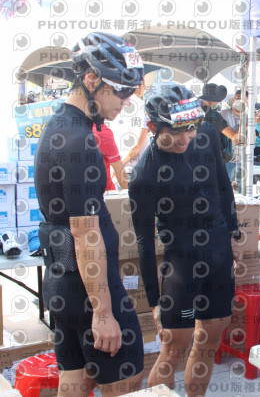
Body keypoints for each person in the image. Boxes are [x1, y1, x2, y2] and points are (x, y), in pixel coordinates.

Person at [34, 32, 145, 396]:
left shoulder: (61, 127)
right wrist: (103, 312)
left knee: (76, 379)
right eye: (121, 91)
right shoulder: (80, 141)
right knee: (126, 382)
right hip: (88, 289)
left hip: (64, 282)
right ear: (92, 79)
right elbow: (85, 234)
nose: (126, 101)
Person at [129, 82, 239, 397]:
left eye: (190, 129)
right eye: (174, 133)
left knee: (208, 342)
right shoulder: (144, 175)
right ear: (152, 127)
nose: (185, 139)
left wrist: (233, 237)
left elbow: (223, 187)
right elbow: (144, 242)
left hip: (218, 253)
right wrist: (153, 301)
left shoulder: (206, 136)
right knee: (174, 348)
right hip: (181, 263)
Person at [199, 83, 237, 163]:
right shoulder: (215, 116)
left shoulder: (193, 113)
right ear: (215, 100)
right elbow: (233, 136)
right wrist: (247, 125)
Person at [116, 82, 150, 171]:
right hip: (135, 167)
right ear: (141, 86)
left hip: (118, 164)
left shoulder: (116, 103)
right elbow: (138, 143)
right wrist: (121, 164)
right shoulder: (141, 106)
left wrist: (117, 166)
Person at [220, 89, 247, 183]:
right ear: (233, 99)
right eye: (238, 98)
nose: (240, 101)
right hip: (227, 159)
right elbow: (233, 136)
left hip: (242, 160)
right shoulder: (223, 114)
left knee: (240, 188)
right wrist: (247, 125)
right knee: (226, 186)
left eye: (243, 100)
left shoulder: (248, 117)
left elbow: (250, 141)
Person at [92, 122, 128, 190]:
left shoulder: (74, 128)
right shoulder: (101, 132)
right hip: (104, 193)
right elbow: (119, 170)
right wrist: (130, 195)